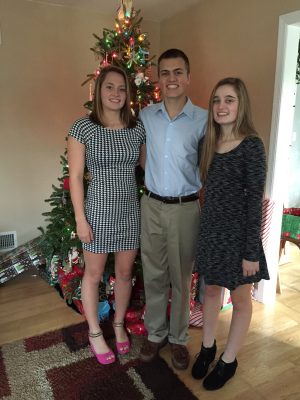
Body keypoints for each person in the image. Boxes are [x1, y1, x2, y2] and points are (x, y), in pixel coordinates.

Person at [191, 77, 270, 390]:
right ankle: (207, 347)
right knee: (210, 292)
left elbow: (254, 199)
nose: (221, 107)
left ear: (241, 105)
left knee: (240, 300)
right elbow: (205, 191)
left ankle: (229, 360)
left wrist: (251, 251)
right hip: (212, 233)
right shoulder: (207, 143)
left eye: (229, 100)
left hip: (239, 239)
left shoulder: (252, 145)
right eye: (216, 100)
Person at [68, 65, 146, 365]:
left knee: (125, 274)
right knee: (94, 274)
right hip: (98, 212)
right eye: (109, 87)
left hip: (130, 212)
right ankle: (94, 332)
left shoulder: (136, 127)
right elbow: (75, 177)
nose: (116, 93)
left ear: (128, 94)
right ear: (99, 91)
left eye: (122, 88)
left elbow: (146, 168)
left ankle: (117, 324)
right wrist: (80, 219)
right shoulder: (82, 127)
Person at [139, 48, 208, 370]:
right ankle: (156, 333)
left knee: (181, 278)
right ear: (158, 79)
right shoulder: (145, 116)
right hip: (150, 205)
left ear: (188, 77)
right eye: (165, 73)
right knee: (153, 275)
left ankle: (179, 338)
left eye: (178, 72)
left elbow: (212, 164)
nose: (171, 79)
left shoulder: (204, 119)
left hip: (185, 208)